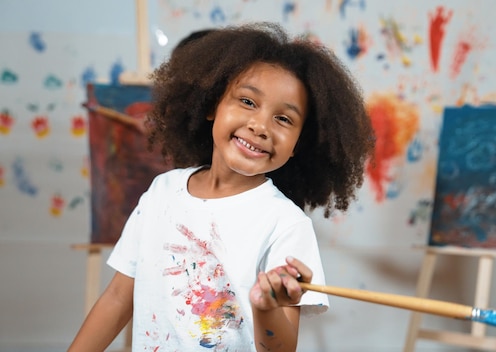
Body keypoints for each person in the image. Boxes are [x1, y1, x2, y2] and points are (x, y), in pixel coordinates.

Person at [69, 22, 375, 351]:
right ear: (212, 105)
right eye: (247, 101)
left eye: (284, 119)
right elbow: (117, 298)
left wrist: (267, 308)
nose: (259, 126)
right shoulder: (162, 191)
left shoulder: (286, 224)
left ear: (299, 143)